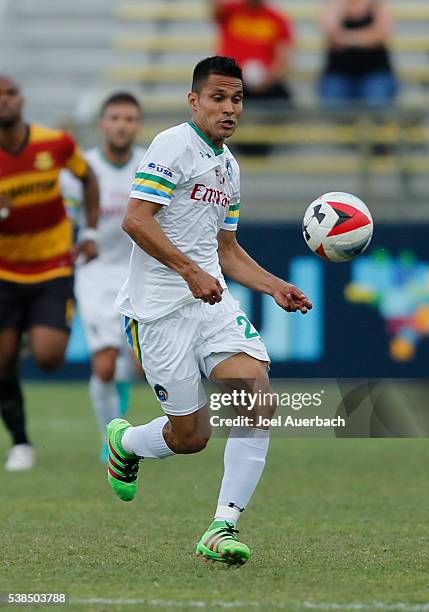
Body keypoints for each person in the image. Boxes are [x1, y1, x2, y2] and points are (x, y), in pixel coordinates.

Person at [106, 56, 312, 565]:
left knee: (257, 395)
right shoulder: (174, 144)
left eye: (237, 98)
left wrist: (273, 286)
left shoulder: (229, 166)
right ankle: (128, 443)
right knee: (190, 436)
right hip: (158, 313)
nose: (229, 108)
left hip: (211, 303)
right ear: (194, 100)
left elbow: (225, 250)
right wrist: (187, 272)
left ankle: (222, 525)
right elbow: (136, 220)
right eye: (218, 97)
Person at [0, 76, 99, 471]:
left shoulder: (54, 143)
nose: (4, 101)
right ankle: (21, 443)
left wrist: (88, 231)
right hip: (4, 270)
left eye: (9, 94)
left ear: (21, 99)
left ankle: (27, 333)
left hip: (52, 264)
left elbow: (87, 178)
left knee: (49, 357)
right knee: (2, 363)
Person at [61, 93, 145, 461]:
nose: (121, 125)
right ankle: (110, 442)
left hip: (139, 272)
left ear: (137, 125)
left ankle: (119, 418)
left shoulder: (149, 166)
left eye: (129, 118)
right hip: (94, 274)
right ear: (102, 124)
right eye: (115, 117)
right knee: (106, 363)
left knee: (141, 366)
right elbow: (64, 222)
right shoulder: (80, 171)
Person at [212, 0, 295, 154]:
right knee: (218, 99)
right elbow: (215, 8)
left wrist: (267, 80)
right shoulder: (232, 12)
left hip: (267, 80)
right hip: (233, 79)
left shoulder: (277, 19)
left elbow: (283, 58)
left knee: (285, 101)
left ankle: (266, 143)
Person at [319, 0, 398, 108]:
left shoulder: (377, 5)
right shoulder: (334, 5)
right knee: (334, 106)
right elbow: (332, 35)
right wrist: (367, 37)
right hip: (339, 74)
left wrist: (345, 38)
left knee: (376, 103)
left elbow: (379, 35)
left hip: (375, 73)